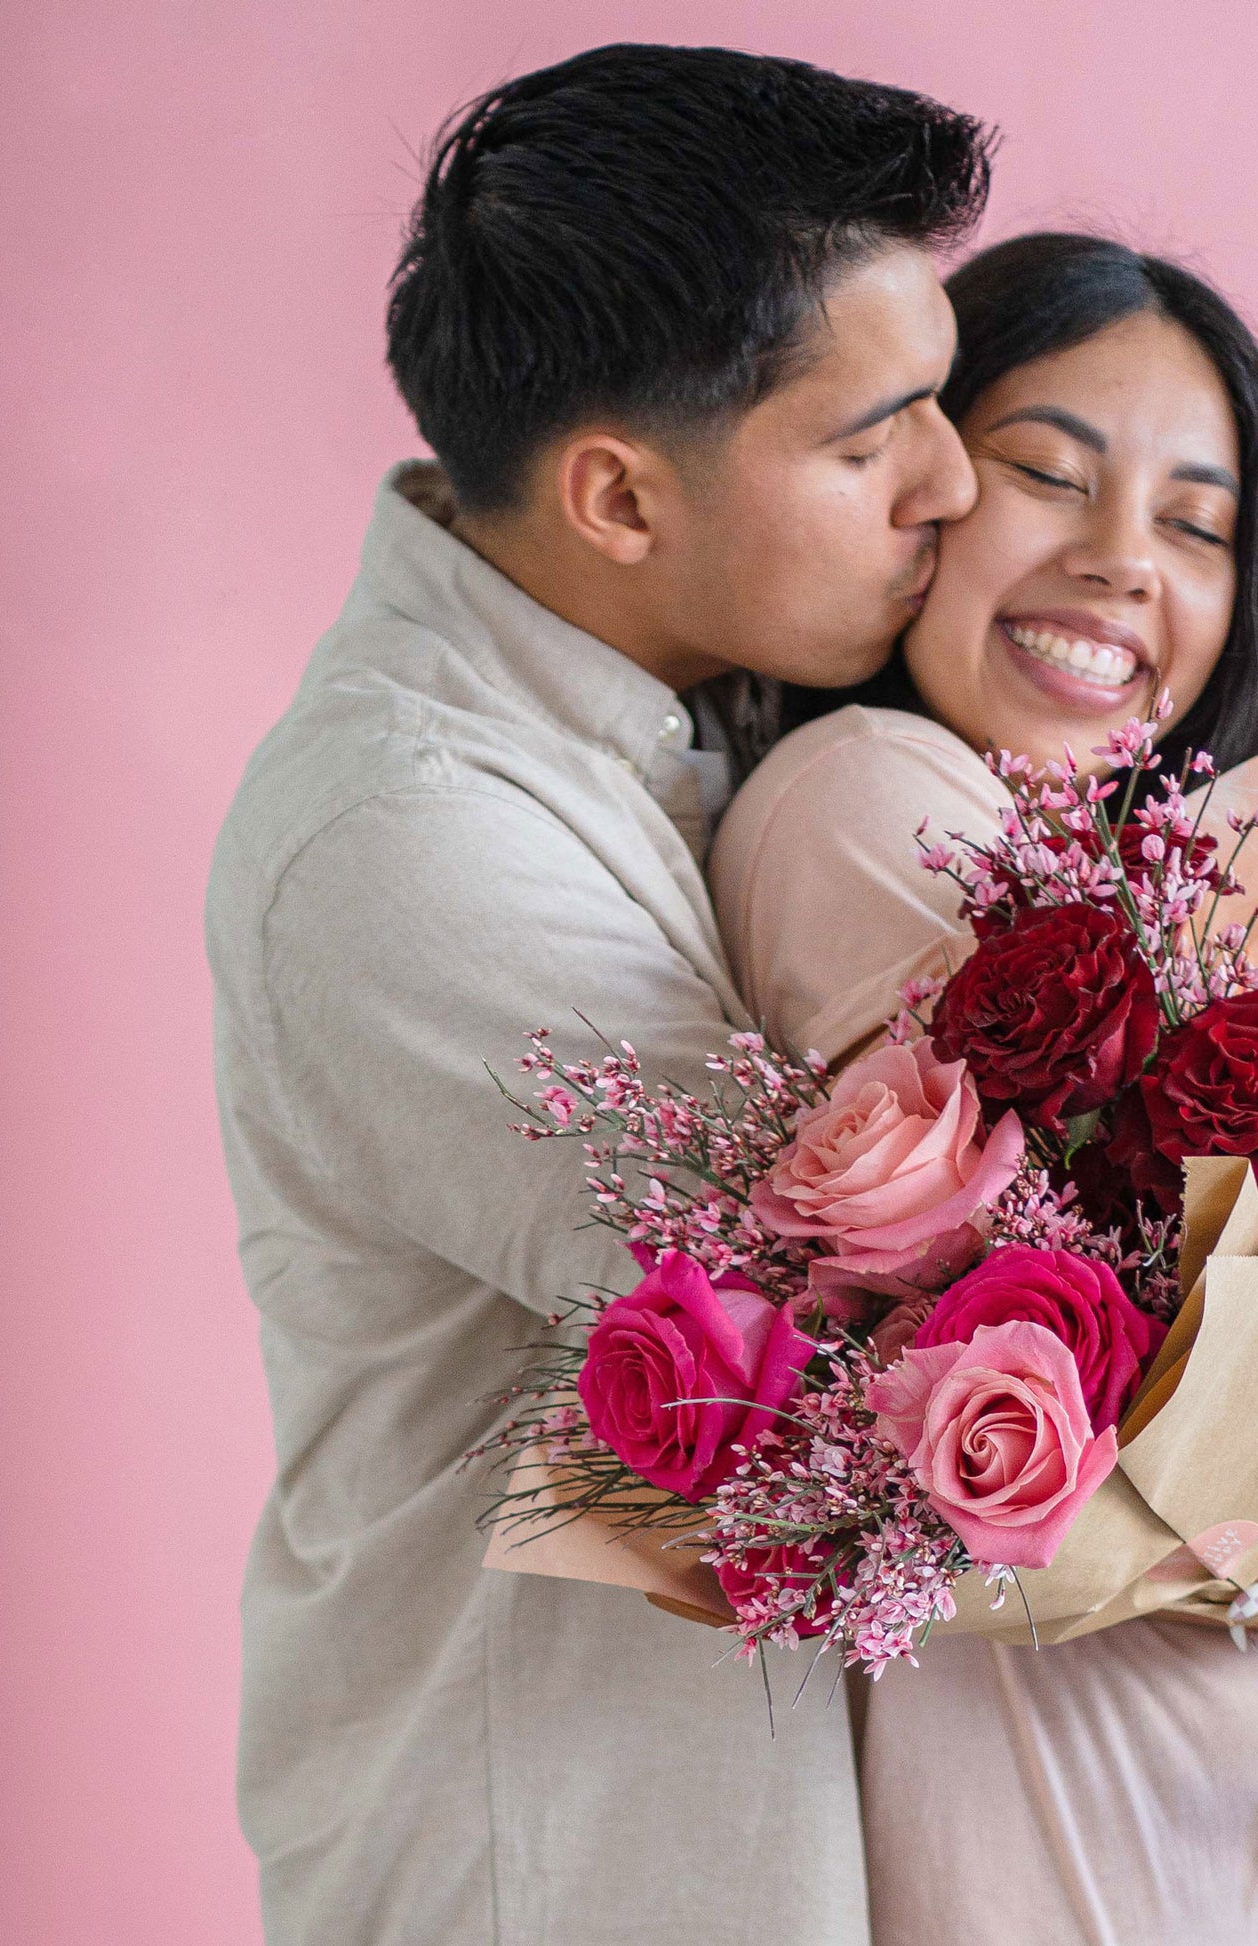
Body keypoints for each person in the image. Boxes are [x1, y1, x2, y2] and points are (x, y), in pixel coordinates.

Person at [709, 233, 1258, 1943]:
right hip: (1074, 1846)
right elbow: (1129, 1324)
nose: (1120, 564)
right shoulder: (862, 794)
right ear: (924, 499)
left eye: (1195, 525)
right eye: (1048, 477)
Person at [206, 45, 992, 1945]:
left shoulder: (714, 682)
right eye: (870, 436)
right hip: (549, 1877)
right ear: (620, 499)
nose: (953, 487)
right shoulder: (403, 841)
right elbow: (912, 1321)